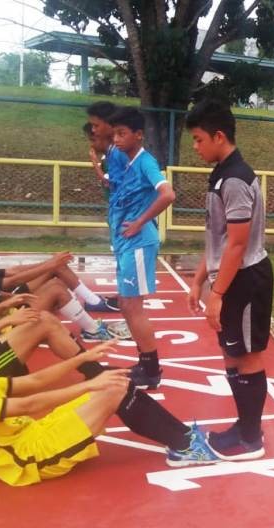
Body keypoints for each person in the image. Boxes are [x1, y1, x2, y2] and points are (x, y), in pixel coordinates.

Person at [0, 318, 218, 486]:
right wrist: (91, 383)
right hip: (28, 459)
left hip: (32, 433)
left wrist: (81, 359)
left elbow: (30, 384)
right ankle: (184, 447)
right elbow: (29, 404)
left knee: (111, 382)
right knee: (112, 388)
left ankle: (183, 439)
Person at [185, 100, 273, 461]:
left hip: (246, 279)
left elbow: (237, 243)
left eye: (198, 139)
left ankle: (250, 439)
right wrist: (198, 279)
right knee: (232, 355)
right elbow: (219, 238)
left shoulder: (235, 178)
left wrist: (216, 294)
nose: (196, 147)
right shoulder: (221, 172)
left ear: (219, 136)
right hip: (230, 276)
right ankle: (245, 426)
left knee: (248, 358)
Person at [104, 106, 176, 389]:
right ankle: (145, 362)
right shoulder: (128, 161)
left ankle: (152, 368)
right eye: (115, 134)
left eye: (122, 134)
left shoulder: (146, 162)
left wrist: (140, 221)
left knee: (134, 306)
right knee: (126, 303)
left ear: (138, 135)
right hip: (126, 243)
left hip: (139, 242)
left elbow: (168, 194)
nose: (117, 140)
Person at [0, 234, 122, 341]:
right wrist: (50, 265)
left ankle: (93, 302)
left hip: (9, 312)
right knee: (56, 289)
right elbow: (11, 282)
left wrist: (51, 263)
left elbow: (13, 271)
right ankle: (92, 331)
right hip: (0, 328)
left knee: (56, 272)